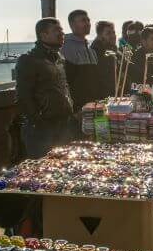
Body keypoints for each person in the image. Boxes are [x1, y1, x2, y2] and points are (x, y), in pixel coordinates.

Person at [15, 17, 74, 159]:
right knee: (42, 170)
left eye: (62, 30)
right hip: (42, 129)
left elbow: (63, 86)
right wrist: (37, 120)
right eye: (56, 31)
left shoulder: (59, 58)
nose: (62, 34)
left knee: (64, 167)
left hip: (63, 124)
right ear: (43, 35)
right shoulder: (29, 60)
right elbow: (23, 95)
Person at [59, 9, 98, 115]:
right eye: (83, 20)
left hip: (92, 105)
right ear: (72, 24)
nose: (87, 24)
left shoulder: (91, 49)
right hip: (76, 109)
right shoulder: (65, 47)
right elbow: (66, 81)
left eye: (88, 20)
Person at [91, 20, 118, 99]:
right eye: (108, 33)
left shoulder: (112, 49)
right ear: (100, 36)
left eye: (113, 32)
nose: (113, 36)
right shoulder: (96, 52)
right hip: (102, 98)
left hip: (113, 96)